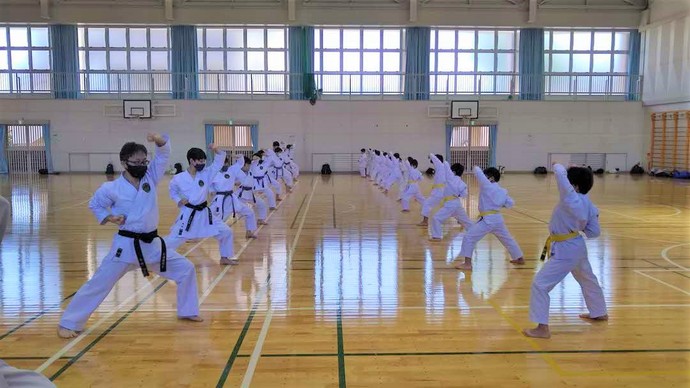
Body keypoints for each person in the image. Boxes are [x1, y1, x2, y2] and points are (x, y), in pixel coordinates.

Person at [58, 133, 202, 339]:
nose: (142, 165)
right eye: (137, 162)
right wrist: (109, 217)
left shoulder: (150, 178)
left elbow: (163, 154)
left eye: (145, 161)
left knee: (185, 269)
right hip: (125, 246)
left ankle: (188, 310)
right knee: (99, 283)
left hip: (151, 244)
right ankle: (69, 322)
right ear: (124, 163)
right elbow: (95, 205)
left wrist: (159, 140)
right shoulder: (111, 188)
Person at [523, 164, 607, 339]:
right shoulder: (589, 205)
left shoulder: (570, 198)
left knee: (540, 284)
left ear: (574, 186)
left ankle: (542, 328)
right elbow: (594, 232)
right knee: (587, 279)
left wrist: (563, 166)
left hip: (565, 249)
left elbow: (559, 172)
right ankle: (599, 312)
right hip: (576, 245)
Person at [165, 145, 236, 266]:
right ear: (192, 161)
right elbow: (173, 191)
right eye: (200, 161)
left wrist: (216, 149)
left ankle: (224, 257)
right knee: (174, 239)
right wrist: (179, 200)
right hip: (189, 214)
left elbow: (219, 161)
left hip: (204, 213)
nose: (203, 163)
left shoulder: (206, 174)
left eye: (204, 161)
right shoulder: (178, 178)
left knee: (226, 232)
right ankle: (154, 259)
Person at [454, 166, 524, 270]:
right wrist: (497, 203)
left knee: (469, 237)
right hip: (497, 219)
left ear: (491, 178)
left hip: (488, 220)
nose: (484, 178)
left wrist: (475, 167)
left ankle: (467, 264)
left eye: (486, 176)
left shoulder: (487, 186)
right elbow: (510, 203)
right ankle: (519, 258)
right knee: (507, 238)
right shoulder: (502, 190)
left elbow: (478, 172)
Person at [211, 155, 257, 239]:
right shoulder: (213, 173)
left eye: (225, 163)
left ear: (227, 163)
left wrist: (240, 157)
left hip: (232, 199)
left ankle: (249, 232)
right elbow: (208, 187)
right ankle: (195, 235)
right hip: (221, 201)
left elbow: (240, 163)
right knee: (216, 220)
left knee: (249, 212)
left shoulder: (231, 170)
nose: (223, 165)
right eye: (221, 163)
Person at [429, 163, 474, 240]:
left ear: (453, 172)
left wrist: (442, 162)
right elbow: (464, 194)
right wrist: (457, 194)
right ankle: (475, 232)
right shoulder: (461, 183)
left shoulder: (450, 178)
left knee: (436, 218)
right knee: (466, 221)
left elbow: (445, 165)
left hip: (450, 205)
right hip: (456, 203)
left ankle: (436, 236)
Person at [238, 156, 269, 226]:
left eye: (249, 165)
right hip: (240, 195)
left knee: (261, 203)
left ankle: (261, 219)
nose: (249, 167)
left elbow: (256, 159)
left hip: (250, 193)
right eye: (248, 165)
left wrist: (255, 158)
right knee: (237, 209)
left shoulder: (250, 169)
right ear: (243, 164)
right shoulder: (237, 172)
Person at [418, 154, 447, 226]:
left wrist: (430, 155)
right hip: (443, 191)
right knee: (449, 206)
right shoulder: (443, 168)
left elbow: (434, 158)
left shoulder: (440, 165)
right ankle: (460, 220)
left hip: (439, 192)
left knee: (427, 203)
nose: (433, 162)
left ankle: (425, 221)